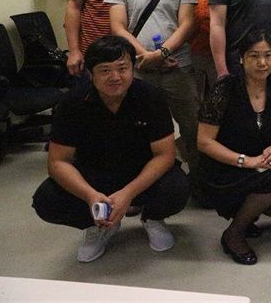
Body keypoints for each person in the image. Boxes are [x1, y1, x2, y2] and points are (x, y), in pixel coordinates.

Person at [32, 36, 189, 263]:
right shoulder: (72, 103)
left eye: (122, 68)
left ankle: (152, 218)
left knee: (177, 187)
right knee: (47, 199)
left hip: (140, 172)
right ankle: (99, 225)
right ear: (91, 73)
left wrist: (129, 193)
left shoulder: (151, 97)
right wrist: (89, 195)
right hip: (94, 175)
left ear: (132, 68)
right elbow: (58, 162)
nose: (115, 77)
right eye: (105, 70)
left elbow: (165, 155)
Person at [197, 30, 271, 265]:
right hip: (224, 169)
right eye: (254, 56)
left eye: (268, 55)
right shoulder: (225, 88)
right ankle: (234, 233)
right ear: (241, 58)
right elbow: (204, 142)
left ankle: (246, 218)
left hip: (258, 166)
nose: (262, 62)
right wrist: (246, 161)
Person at [107, 0, 199, 173]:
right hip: (138, 68)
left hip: (177, 68)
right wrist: (145, 56)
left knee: (192, 126)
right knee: (137, 127)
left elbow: (187, 23)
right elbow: (118, 27)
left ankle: (200, 182)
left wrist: (162, 53)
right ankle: (142, 181)